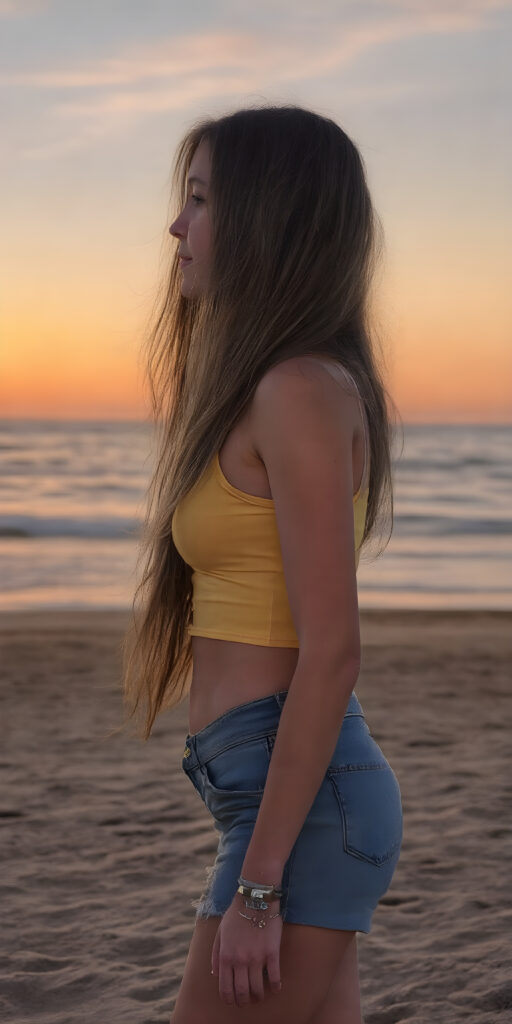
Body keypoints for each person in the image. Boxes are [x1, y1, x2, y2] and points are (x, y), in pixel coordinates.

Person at [120, 104, 403, 1023]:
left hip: (303, 811)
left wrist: (258, 889)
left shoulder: (298, 391)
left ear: (266, 218)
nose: (177, 225)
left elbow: (333, 652)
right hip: (276, 798)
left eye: (198, 200)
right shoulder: (269, 386)